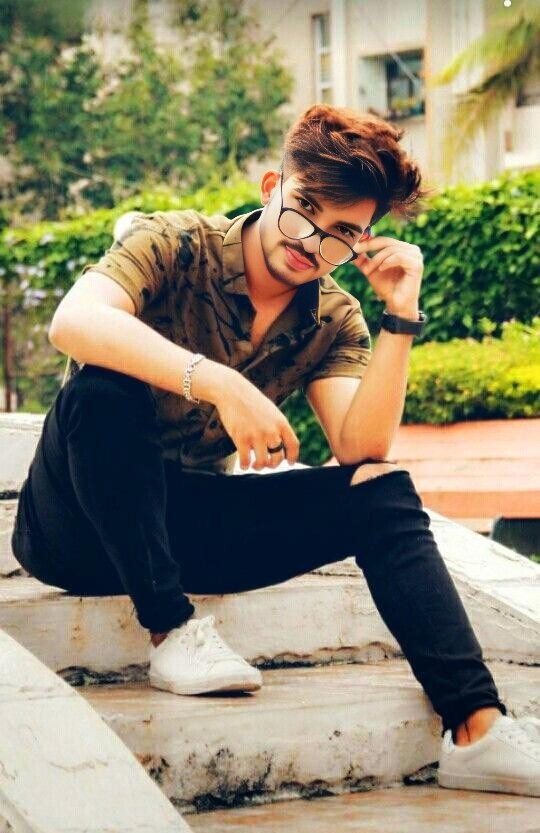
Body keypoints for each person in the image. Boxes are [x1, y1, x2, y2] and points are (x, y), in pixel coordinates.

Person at [11, 105, 539, 797]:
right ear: (272, 186)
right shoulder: (174, 243)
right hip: (74, 526)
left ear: (363, 241)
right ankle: (170, 631)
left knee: (381, 489)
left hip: (187, 526)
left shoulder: (333, 316)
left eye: (342, 232)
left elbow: (359, 446)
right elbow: (73, 320)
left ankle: (475, 728)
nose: (311, 241)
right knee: (100, 392)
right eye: (305, 208)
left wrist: (401, 313)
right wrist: (219, 383)